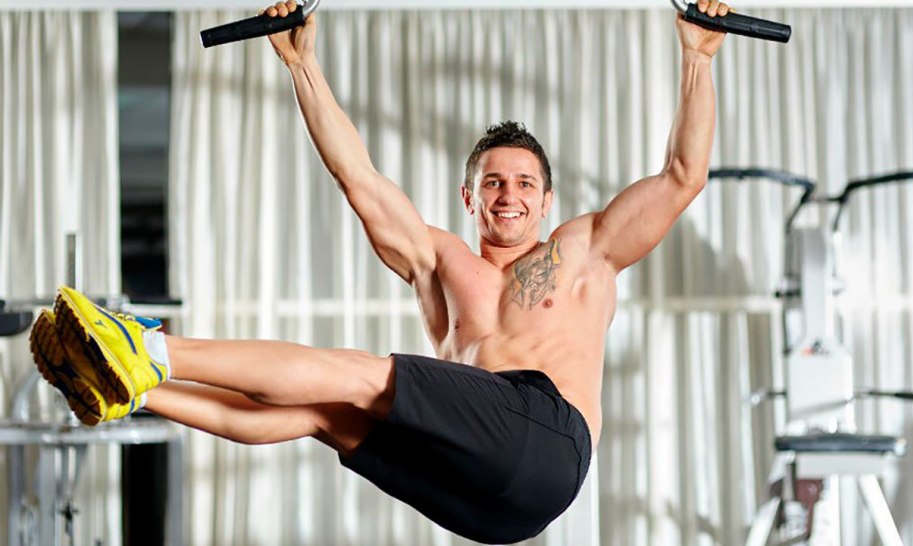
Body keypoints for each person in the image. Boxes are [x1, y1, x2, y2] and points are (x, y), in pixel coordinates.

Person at [29, 2, 731, 543]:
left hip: (550, 447)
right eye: (492, 182)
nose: (508, 195)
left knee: (363, 375)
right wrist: (302, 66)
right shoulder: (438, 263)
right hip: (489, 511)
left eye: (524, 183)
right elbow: (358, 178)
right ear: (469, 198)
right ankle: (130, 389)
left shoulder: (584, 251)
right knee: (319, 416)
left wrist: (696, 58)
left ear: (547, 200)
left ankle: (146, 346)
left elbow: (682, 175)